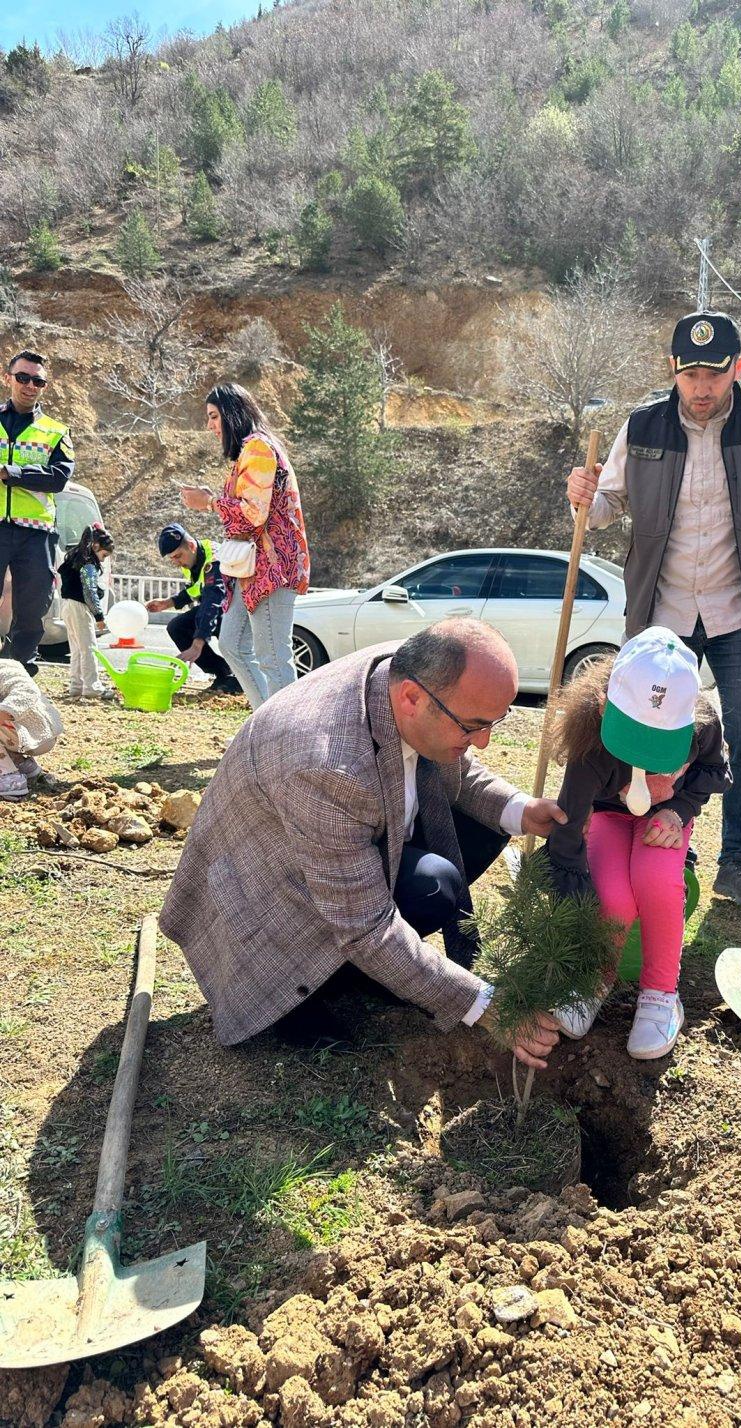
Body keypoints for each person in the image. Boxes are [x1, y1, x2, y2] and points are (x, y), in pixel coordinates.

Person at [161, 618, 567, 1066]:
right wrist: (484, 1006)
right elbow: (366, 926)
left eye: (493, 723)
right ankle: (311, 991)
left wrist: (522, 810)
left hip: (342, 847)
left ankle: (377, 974)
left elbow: (458, 770)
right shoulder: (327, 767)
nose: (483, 743)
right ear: (411, 698)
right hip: (266, 904)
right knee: (430, 889)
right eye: (472, 727)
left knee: (472, 844)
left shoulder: (412, 672)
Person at [567, 311, 741, 910]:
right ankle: (662, 838)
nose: (702, 387)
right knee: (651, 737)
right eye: (691, 373)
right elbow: (605, 506)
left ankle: (740, 865)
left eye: (716, 374)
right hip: (660, 613)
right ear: (673, 370)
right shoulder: (643, 424)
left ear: (738, 369)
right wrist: (582, 497)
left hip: (740, 611)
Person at [545, 628, 731, 1058]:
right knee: (614, 898)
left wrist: (679, 807)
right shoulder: (589, 737)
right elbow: (569, 826)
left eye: (659, 745)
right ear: (607, 705)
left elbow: (715, 772)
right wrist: (567, 887)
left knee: (657, 880)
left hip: (665, 818)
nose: (644, 759)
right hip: (609, 815)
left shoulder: (703, 724)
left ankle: (661, 994)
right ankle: (595, 980)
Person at [179, 383, 309, 709]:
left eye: (213, 416)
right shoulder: (252, 452)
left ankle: (286, 738)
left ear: (232, 414)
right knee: (233, 644)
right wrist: (216, 499)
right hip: (252, 569)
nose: (210, 425)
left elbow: (253, 513)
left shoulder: (259, 449)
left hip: (272, 569)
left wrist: (209, 503)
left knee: (273, 658)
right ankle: (264, 725)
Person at [0, 350, 75, 673]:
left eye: (38, 381)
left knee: (32, 609)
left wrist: (11, 473)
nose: (30, 385)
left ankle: (19, 677)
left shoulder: (56, 431)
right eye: (23, 377)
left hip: (36, 533)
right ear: (8, 378)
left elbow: (59, 478)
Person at [145, 524, 241, 694]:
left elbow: (212, 601)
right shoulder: (194, 559)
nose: (176, 562)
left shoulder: (214, 561)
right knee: (177, 627)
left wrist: (197, 644)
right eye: (172, 558)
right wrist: (169, 602)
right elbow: (198, 589)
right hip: (221, 606)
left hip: (236, 610)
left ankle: (240, 678)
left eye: (178, 556)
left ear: (191, 545)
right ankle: (223, 673)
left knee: (213, 620)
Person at [58, 523, 113, 699]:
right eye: (104, 555)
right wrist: (99, 615)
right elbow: (89, 591)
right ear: (95, 546)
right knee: (89, 647)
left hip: (66, 605)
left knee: (76, 648)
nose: (103, 560)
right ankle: (92, 686)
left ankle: (77, 685)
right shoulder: (89, 564)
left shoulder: (74, 558)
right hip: (80, 607)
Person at [0, 657, 62, 799]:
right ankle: (20, 764)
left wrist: (4, 712)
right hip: (15, 735)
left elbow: (27, 691)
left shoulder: (6, 667)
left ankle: (9, 778)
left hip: (35, 732)